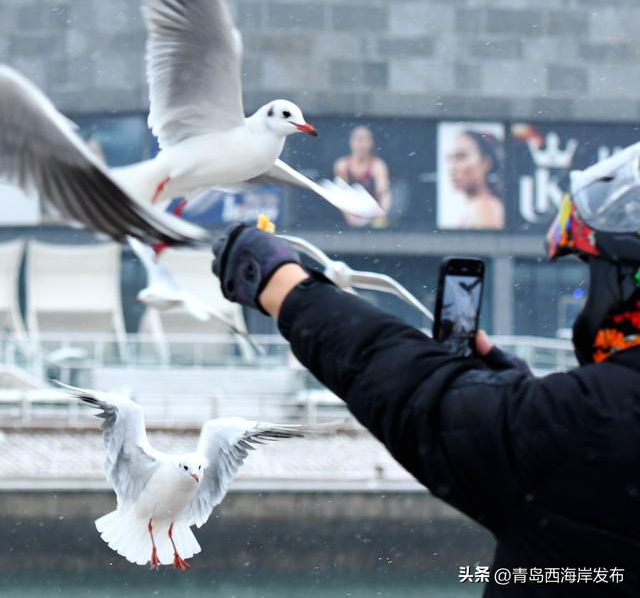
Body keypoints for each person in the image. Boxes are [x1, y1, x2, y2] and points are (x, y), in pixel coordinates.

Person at [212, 143, 640, 596]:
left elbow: (421, 398)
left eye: (589, 270)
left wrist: (284, 286)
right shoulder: (584, 426)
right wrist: (518, 393)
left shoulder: (593, 423)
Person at [444, 129, 505, 229]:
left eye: (461, 156)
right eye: (449, 158)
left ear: (485, 162)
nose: (452, 167)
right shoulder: (478, 206)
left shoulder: (484, 209)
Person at [334, 125, 390, 227]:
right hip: (350, 217)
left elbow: (383, 193)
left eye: (364, 140)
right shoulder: (342, 165)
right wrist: (351, 217)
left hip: (373, 215)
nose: (360, 145)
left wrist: (381, 213)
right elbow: (340, 195)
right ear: (351, 142)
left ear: (370, 143)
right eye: (358, 140)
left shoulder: (377, 165)